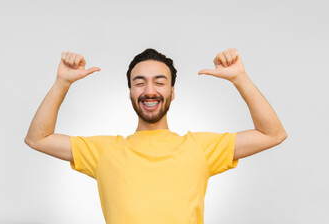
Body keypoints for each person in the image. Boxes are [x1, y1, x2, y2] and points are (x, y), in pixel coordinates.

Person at [24, 48, 287, 224]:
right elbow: (39, 138)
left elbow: (272, 134)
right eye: (140, 82)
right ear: (130, 93)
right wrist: (62, 82)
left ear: (172, 92)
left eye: (160, 82)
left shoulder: (200, 147)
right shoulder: (104, 151)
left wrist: (240, 78)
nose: (150, 90)